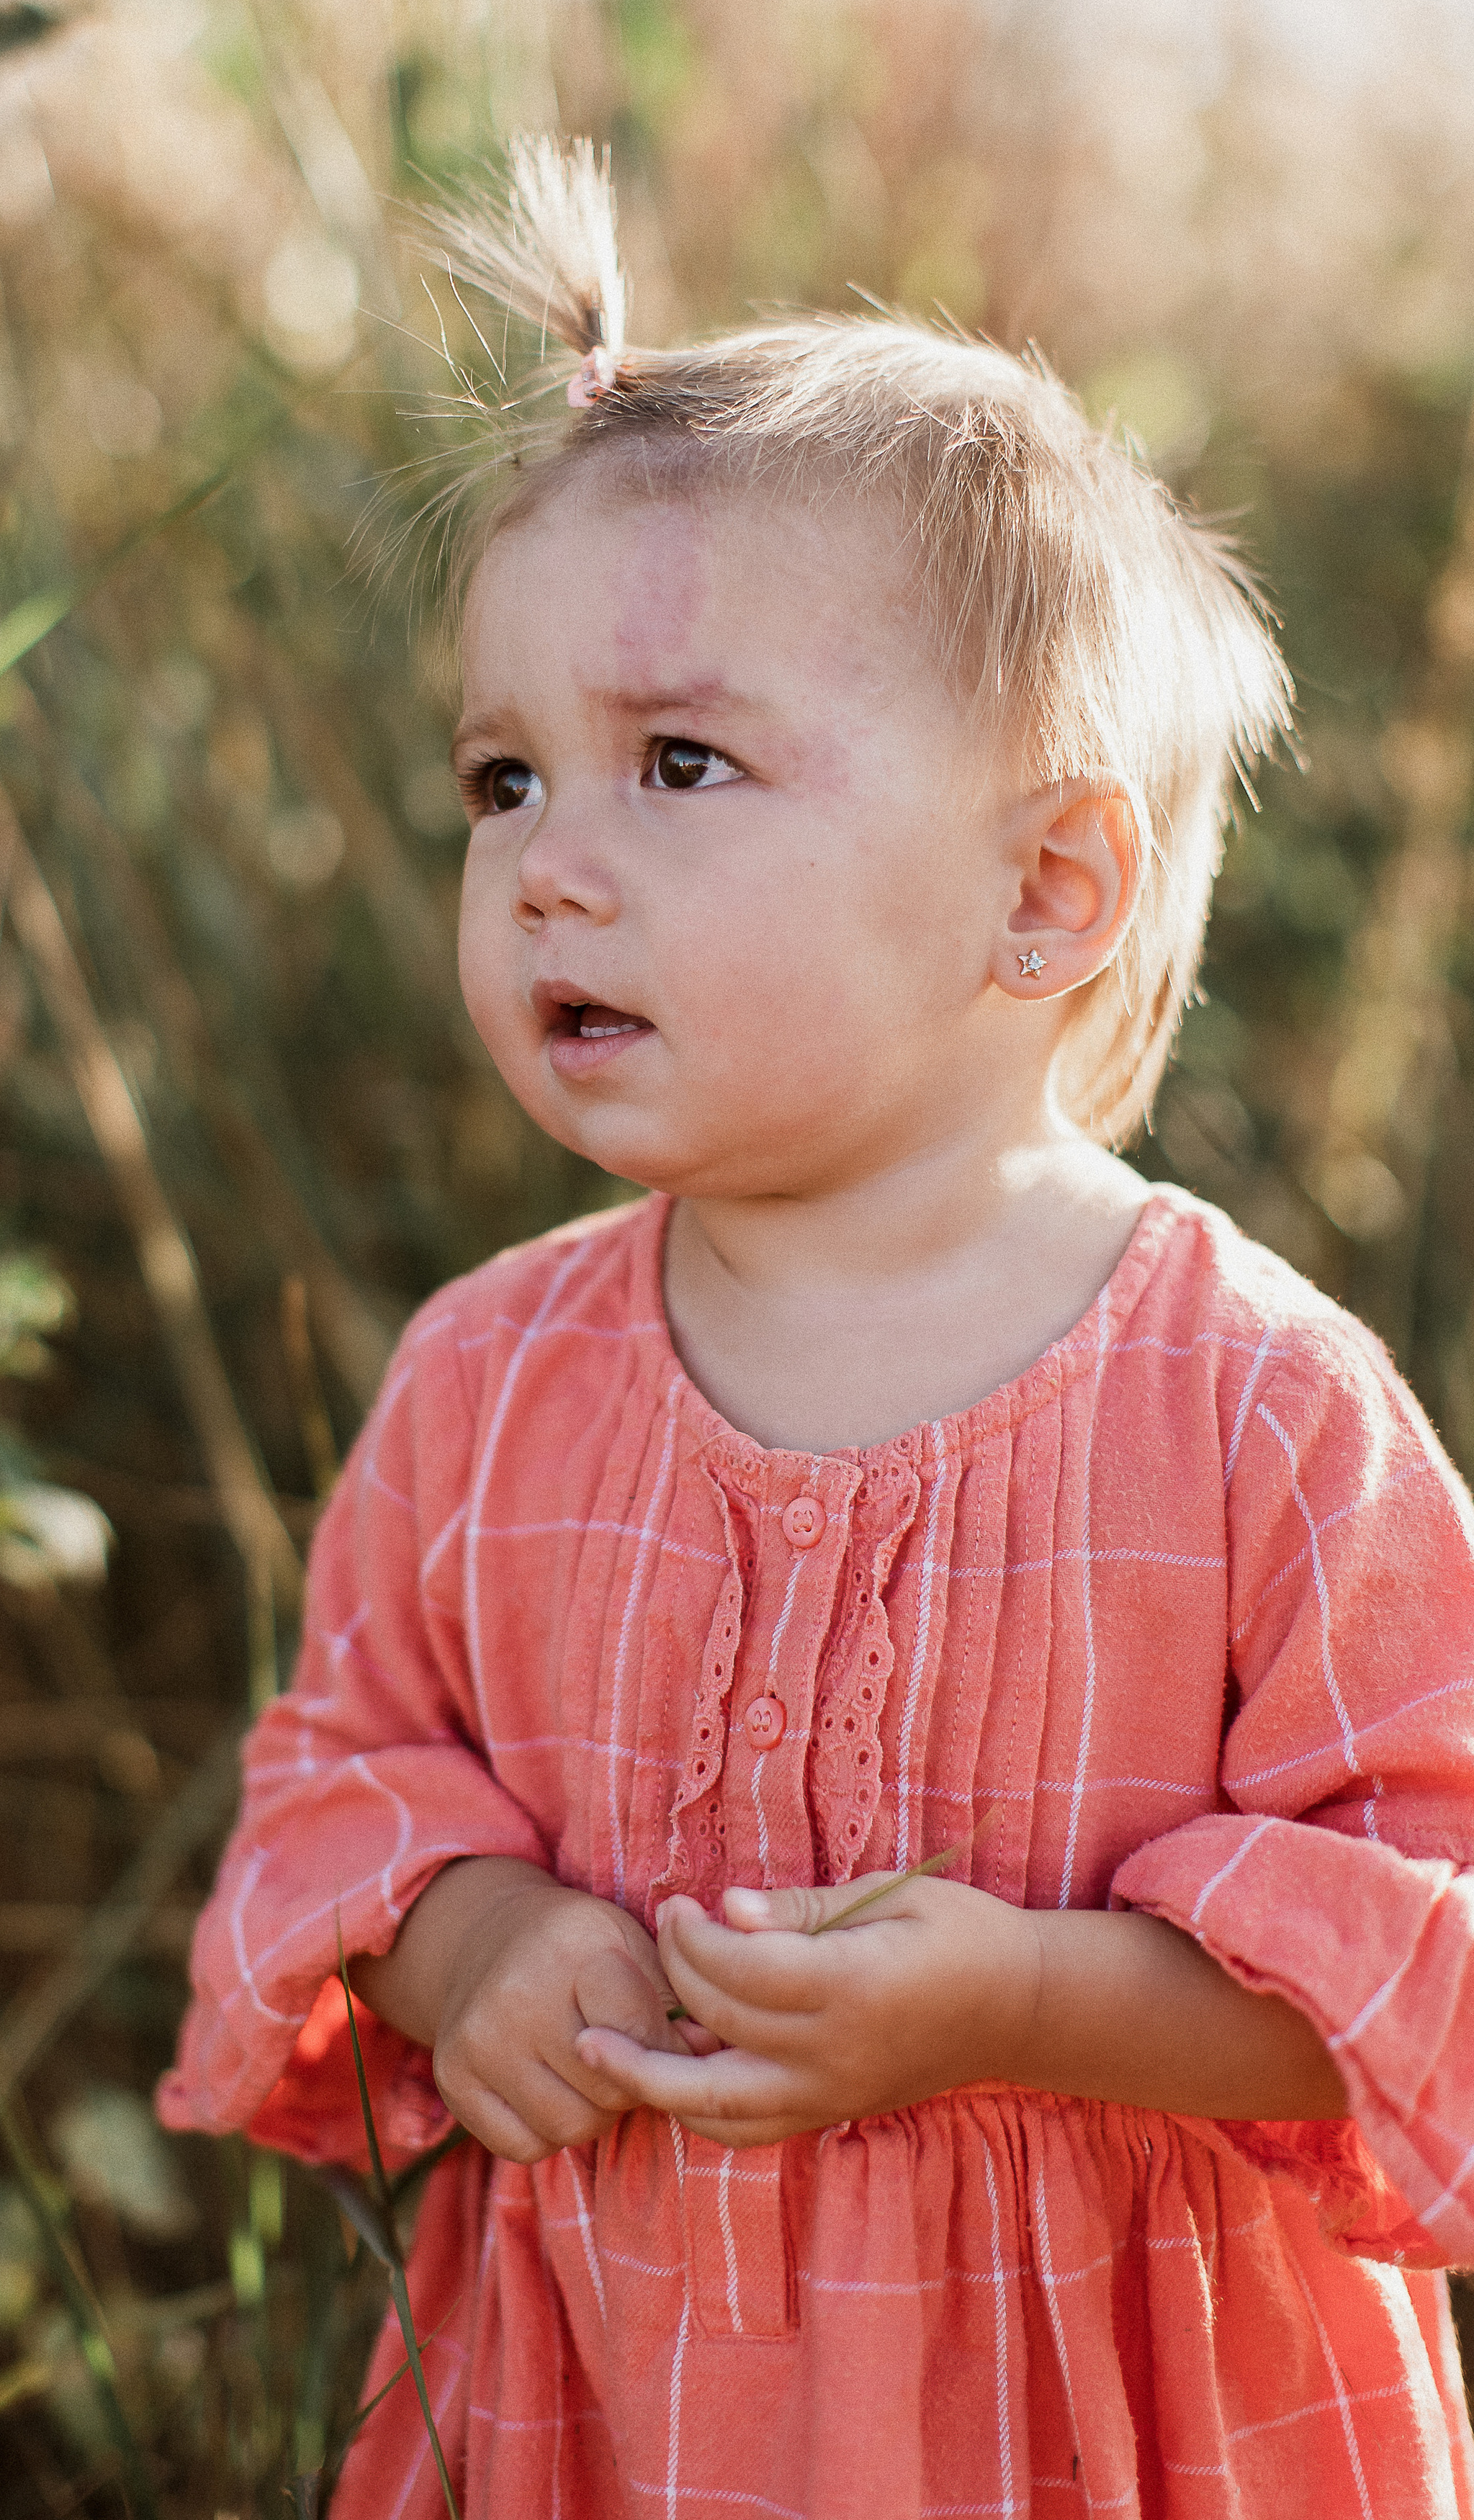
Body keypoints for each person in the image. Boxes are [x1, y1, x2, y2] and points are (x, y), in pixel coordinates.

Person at [158, 139, 1474, 2516]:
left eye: (679, 763)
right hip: (614, 2400)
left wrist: (1030, 2003)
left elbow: (1422, 1958)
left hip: (1110, 2428)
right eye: (501, 775)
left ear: (1045, 888)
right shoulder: (490, 1383)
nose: (548, 857)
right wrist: (468, 1946)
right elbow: (336, 1778)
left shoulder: (1260, 1411)